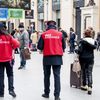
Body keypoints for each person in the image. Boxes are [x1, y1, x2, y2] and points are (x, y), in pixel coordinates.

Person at [37, 20, 66, 100]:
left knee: (46, 76)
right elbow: (64, 46)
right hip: (57, 58)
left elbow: (39, 47)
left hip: (47, 58)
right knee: (57, 76)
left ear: (47, 26)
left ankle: (46, 93)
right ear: (55, 26)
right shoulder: (60, 34)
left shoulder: (44, 34)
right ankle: (57, 96)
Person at [0, 22, 20, 97]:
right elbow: (17, 44)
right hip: (8, 60)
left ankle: (1, 93)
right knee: (10, 75)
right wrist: (11, 48)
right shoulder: (9, 36)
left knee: (1, 76)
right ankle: (11, 90)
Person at [75, 29, 96, 95]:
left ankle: (85, 85)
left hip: (83, 59)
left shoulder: (82, 41)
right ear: (90, 34)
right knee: (89, 72)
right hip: (90, 59)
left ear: (85, 34)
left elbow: (79, 51)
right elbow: (95, 47)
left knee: (84, 71)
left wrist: (76, 50)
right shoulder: (93, 41)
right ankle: (90, 87)